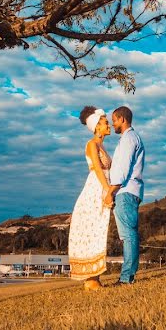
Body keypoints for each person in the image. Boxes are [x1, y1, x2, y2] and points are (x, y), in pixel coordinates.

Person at [68, 106, 114, 291]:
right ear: (96, 127)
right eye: (105, 122)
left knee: (100, 230)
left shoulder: (102, 145)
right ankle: (91, 279)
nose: (108, 124)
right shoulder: (91, 144)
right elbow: (96, 168)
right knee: (93, 228)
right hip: (96, 188)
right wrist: (107, 191)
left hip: (103, 187)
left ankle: (95, 277)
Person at [106, 106, 145, 285]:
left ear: (122, 119)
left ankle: (126, 278)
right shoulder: (130, 138)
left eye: (114, 120)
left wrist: (111, 192)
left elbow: (122, 170)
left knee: (128, 235)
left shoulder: (129, 139)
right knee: (130, 234)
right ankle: (128, 276)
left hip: (125, 191)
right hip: (131, 191)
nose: (113, 123)